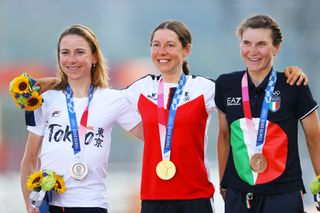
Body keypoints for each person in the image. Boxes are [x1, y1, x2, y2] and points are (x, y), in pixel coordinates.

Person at [30, 20, 307, 213]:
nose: (162, 52)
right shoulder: (139, 89)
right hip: (153, 198)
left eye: (170, 45)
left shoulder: (207, 88)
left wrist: (289, 73)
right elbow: (88, 91)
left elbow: (251, 85)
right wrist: (54, 82)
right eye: (156, 45)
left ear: (186, 50)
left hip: (196, 197)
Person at [20, 24, 143, 213]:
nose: (72, 60)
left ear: (94, 57)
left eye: (79, 52)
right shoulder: (45, 99)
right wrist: (30, 204)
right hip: (51, 205)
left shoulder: (113, 99)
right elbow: (29, 159)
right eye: (65, 53)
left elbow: (151, 136)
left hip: (92, 204)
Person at [214, 14, 320, 213]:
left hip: (284, 193)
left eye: (261, 44)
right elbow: (224, 135)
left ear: (276, 48)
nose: (253, 51)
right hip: (238, 194)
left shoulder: (293, 84)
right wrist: (223, 182)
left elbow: (315, 139)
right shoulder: (225, 85)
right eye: (246, 43)